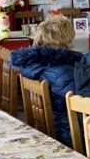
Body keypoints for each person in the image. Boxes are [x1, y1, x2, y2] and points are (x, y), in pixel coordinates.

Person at [10, 15, 83, 147]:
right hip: (67, 132)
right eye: (71, 40)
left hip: (46, 127)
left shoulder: (30, 65)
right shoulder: (63, 71)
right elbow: (79, 103)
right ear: (63, 41)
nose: (72, 44)